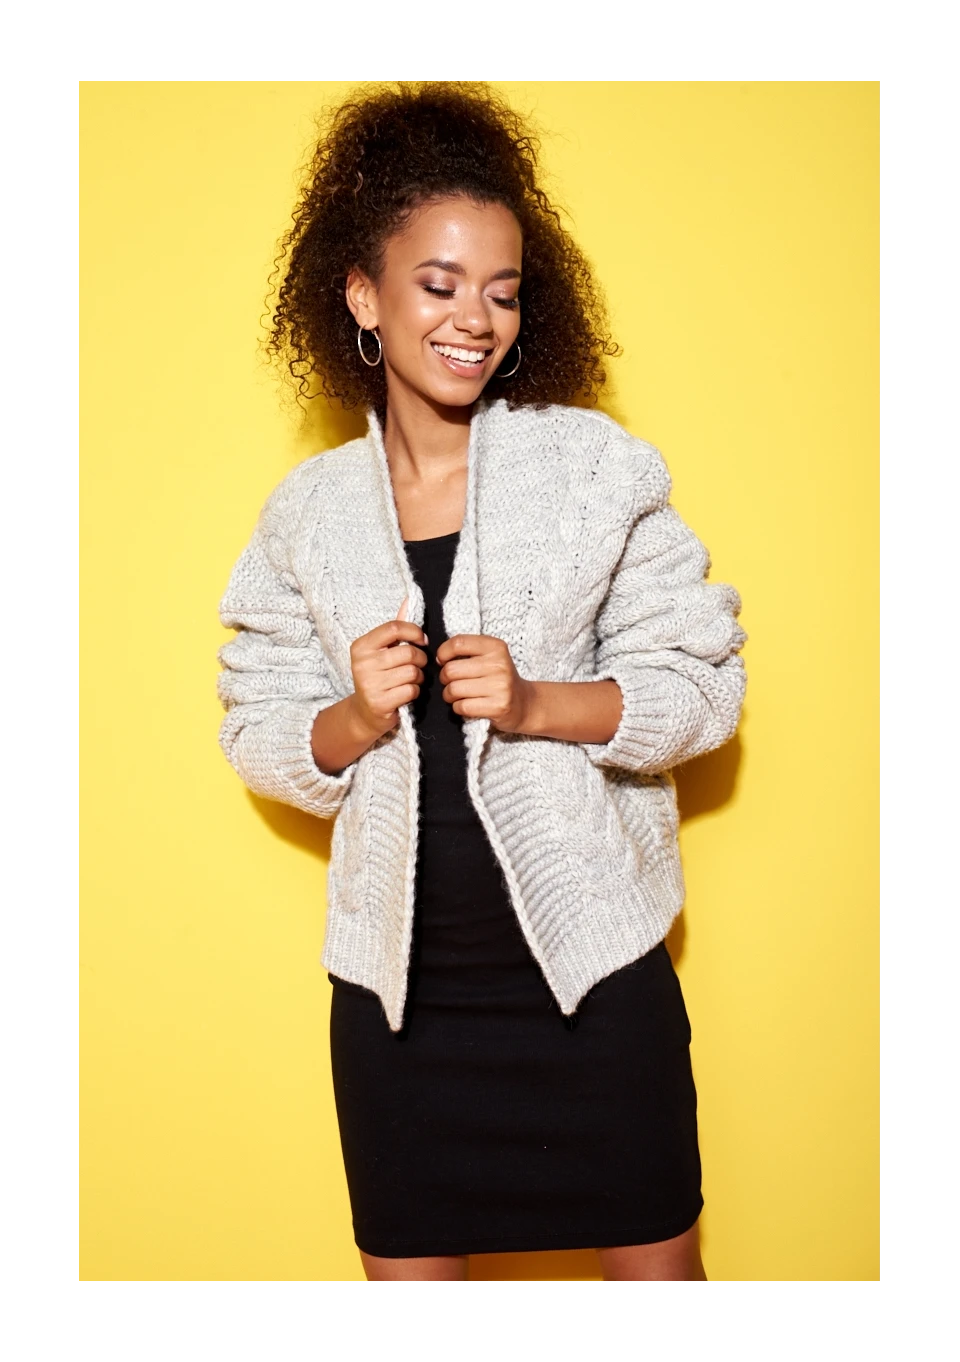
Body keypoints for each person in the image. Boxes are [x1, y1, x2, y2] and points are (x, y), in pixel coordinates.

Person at [216, 81, 748, 1286]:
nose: (475, 320)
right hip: (401, 1012)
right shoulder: (306, 516)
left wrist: (537, 703)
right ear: (364, 295)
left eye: (502, 292)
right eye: (440, 284)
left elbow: (705, 687)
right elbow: (255, 723)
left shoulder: (595, 471)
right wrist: (354, 716)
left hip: (596, 983)